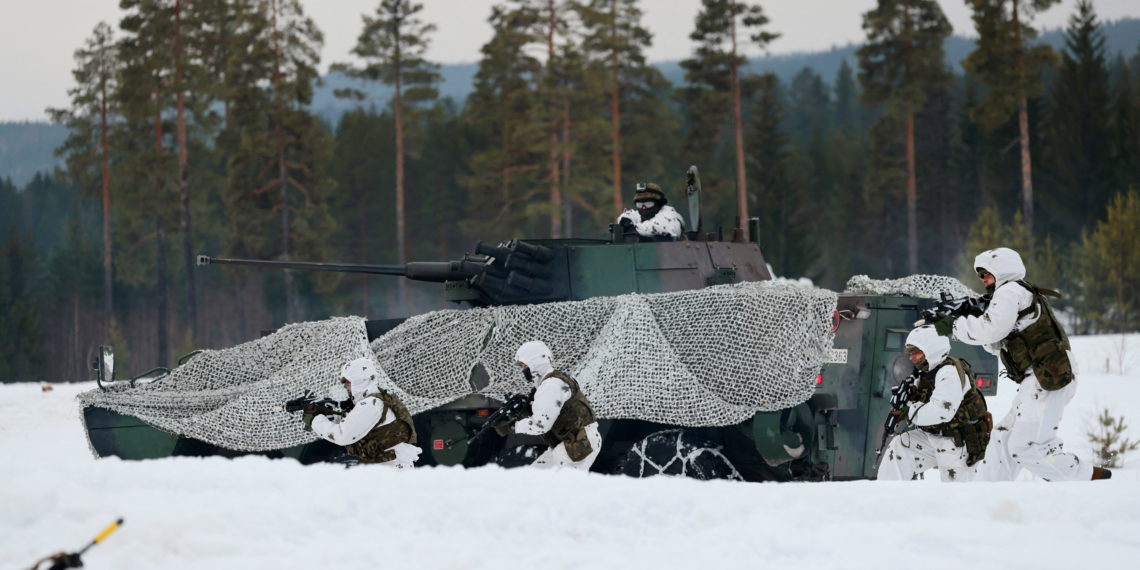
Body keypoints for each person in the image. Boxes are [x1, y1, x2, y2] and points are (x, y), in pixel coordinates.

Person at [937, 247, 1111, 481]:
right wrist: (972, 317)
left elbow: (990, 330)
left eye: (986, 273)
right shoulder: (1012, 294)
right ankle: (986, 496)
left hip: (1048, 377)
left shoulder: (1009, 291)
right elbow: (995, 343)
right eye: (980, 275)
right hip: (1039, 379)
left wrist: (953, 326)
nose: (983, 279)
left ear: (1002, 270)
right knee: (1002, 439)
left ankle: (1087, 479)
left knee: (1028, 447)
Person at [878, 325, 991, 482]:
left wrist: (908, 412)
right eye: (910, 353)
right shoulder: (929, 371)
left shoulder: (949, 373)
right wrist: (913, 396)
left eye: (916, 353)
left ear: (932, 350)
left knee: (955, 497)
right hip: (934, 438)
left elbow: (940, 413)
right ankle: (887, 498)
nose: (912, 358)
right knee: (901, 446)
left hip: (957, 444)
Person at [499, 340, 601, 470]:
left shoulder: (551, 385)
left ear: (535, 363)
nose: (523, 370)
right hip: (574, 442)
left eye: (524, 365)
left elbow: (540, 424)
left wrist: (512, 427)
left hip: (579, 443)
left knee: (557, 488)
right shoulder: (552, 381)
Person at [307, 357, 421, 468]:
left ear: (359, 381)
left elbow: (343, 435)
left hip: (390, 467)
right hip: (387, 464)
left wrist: (315, 420)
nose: (345, 386)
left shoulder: (371, 405)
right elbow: (355, 425)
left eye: (347, 382)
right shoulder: (377, 399)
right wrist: (330, 415)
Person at [616, 182, 684, 240]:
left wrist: (634, 230)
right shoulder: (641, 216)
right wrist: (625, 221)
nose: (643, 208)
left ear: (658, 204)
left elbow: (659, 227)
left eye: (648, 204)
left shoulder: (670, 216)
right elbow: (630, 215)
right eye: (640, 204)